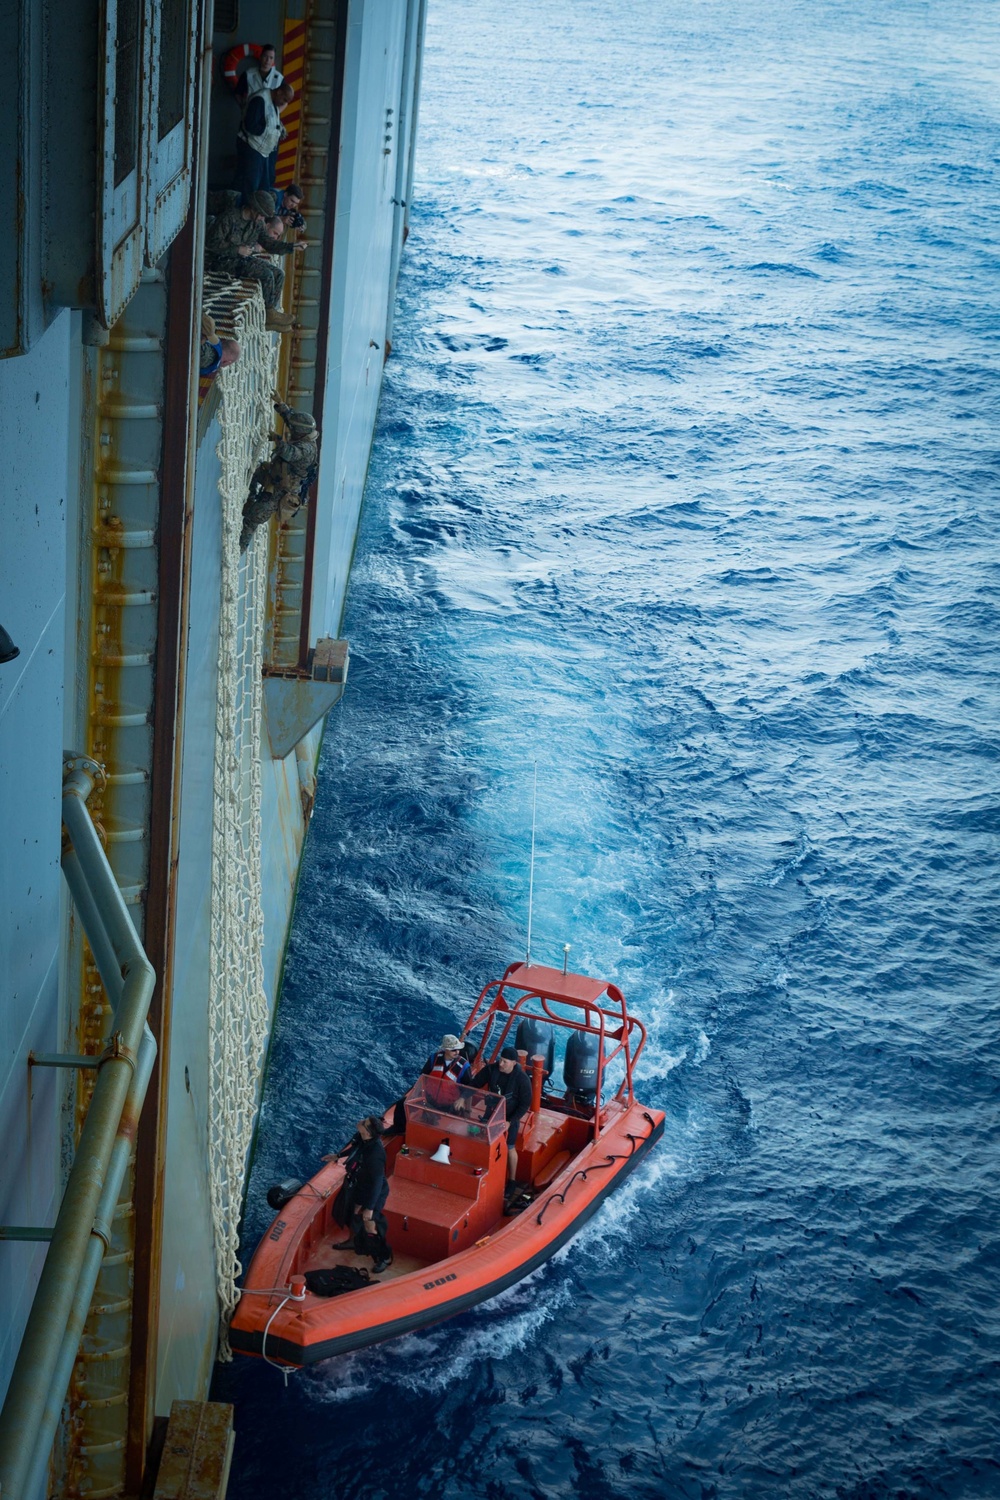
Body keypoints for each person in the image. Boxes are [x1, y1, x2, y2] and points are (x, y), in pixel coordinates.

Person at [203, 191, 293, 330]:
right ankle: (269, 316)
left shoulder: (256, 225)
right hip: (220, 260)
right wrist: (237, 249)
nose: (263, 218)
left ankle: (270, 315)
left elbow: (269, 244)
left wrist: (291, 247)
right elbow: (211, 243)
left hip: (241, 259)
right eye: (262, 214)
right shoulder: (229, 218)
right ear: (254, 208)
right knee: (266, 275)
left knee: (278, 274)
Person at [240, 401, 319, 551]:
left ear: (301, 433)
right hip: (274, 475)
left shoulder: (307, 450)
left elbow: (289, 453)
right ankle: (250, 498)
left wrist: (276, 439)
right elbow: (292, 421)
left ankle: (238, 549)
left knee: (253, 519)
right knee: (257, 472)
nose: (292, 432)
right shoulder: (303, 435)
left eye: (295, 431)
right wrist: (281, 405)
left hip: (280, 492)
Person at [325, 1116, 392, 1273]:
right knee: (353, 1213)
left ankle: (383, 1257)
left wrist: (369, 1207)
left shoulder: (376, 1154)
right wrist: (338, 1156)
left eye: (364, 1123)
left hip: (374, 1191)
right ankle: (353, 1241)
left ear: (368, 1133)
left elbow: (377, 1183)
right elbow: (355, 1149)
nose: (361, 1121)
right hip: (361, 1186)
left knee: (369, 1223)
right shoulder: (363, 1139)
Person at [473, 1046, 532, 1181]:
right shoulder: (491, 1070)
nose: (501, 1064)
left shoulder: (522, 1080)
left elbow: (525, 1104)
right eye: (500, 1060)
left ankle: (511, 1180)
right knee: (482, 1141)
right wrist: (463, 1096)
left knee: (510, 1147)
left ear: (513, 1063)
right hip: (491, 1113)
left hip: (510, 1117)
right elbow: (475, 1083)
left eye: (505, 1062)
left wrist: (510, 1121)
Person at [236, 81, 294, 201]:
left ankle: (258, 215)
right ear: (278, 92)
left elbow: (270, 121)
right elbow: (250, 125)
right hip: (252, 146)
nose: (284, 103)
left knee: (264, 186)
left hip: (264, 150)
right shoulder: (260, 99)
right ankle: (246, 212)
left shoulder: (274, 104)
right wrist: (267, 131)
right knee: (251, 185)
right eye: (284, 99)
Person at [421, 1033, 472, 1111]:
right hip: (429, 1100)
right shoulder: (433, 1058)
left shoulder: (464, 1066)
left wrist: (464, 1103)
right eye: (453, 1050)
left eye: (458, 1049)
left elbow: (469, 1088)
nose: (457, 1052)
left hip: (450, 1106)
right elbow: (423, 1076)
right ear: (446, 1049)